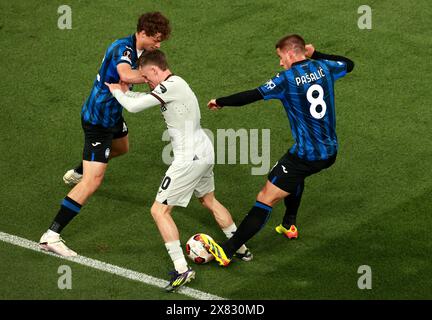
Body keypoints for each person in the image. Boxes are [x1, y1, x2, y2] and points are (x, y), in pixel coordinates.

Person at [105, 50, 252, 291]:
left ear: (155, 70)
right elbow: (147, 97)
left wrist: (117, 93)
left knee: (159, 211)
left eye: (146, 77)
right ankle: (241, 249)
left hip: (189, 158)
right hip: (204, 150)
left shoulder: (170, 86)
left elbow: (134, 108)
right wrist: (128, 92)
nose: (147, 81)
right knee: (209, 200)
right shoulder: (175, 85)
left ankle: (182, 270)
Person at [201, 34, 354, 267]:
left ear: (291, 53)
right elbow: (349, 64)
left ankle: (228, 250)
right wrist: (316, 53)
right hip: (330, 151)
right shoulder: (324, 67)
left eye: (281, 57)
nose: (280, 63)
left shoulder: (287, 79)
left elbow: (252, 95)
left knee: (266, 196)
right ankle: (289, 223)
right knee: (293, 177)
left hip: (306, 155)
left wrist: (221, 101)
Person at [39, 12, 171, 257]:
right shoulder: (124, 49)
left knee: (122, 148)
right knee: (94, 181)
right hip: (98, 120)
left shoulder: (141, 50)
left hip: (113, 116)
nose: (159, 44)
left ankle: (78, 171)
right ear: (142, 33)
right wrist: (154, 77)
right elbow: (124, 75)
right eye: (156, 39)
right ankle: (52, 235)